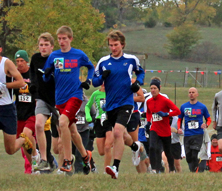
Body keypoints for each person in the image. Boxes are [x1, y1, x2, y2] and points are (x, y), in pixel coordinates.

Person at [91, 30, 145, 179]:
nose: (113, 48)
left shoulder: (131, 59)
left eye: (116, 45)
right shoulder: (103, 62)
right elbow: (94, 82)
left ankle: (115, 167)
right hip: (110, 104)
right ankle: (135, 147)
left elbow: (140, 72)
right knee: (124, 135)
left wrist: (138, 83)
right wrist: (102, 77)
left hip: (126, 102)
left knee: (117, 133)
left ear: (122, 44)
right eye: (110, 45)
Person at [42, 26, 95, 174]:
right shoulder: (54, 56)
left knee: (63, 122)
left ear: (70, 39)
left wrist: (88, 81)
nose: (61, 41)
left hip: (75, 95)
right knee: (71, 130)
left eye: (64, 38)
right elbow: (45, 77)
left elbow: (91, 68)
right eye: (59, 39)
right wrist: (47, 73)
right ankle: (86, 156)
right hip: (60, 98)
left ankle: (67, 160)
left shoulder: (78, 54)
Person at [0, 39, 34, 187]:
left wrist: (4, 86)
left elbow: (21, 82)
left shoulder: (7, 63)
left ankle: (23, 140)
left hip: (7, 110)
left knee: (10, 150)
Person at [29, 32, 58, 172]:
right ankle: (44, 159)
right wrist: (33, 87)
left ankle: (67, 160)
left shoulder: (57, 58)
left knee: (63, 130)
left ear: (52, 46)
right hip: (42, 98)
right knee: (39, 125)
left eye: (46, 45)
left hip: (58, 99)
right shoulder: (35, 59)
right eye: (41, 45)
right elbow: (32, 75)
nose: (43, 47)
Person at [144, 78, 180, 173]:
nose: (153, 90)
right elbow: (148, 112)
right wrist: (148, 122)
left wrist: (166, 114)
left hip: (165, 130)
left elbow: (177, 111)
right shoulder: (149, 101)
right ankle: (154, 168)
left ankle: (172, 169)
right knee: (152, 147)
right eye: (151, 88)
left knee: (168, 152)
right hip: (154, 128)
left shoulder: (165, 100)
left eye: (155, 88)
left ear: (159, 88)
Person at [178, 87, 211, 172]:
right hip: (187, 134)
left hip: (198, 134)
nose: (191, 94)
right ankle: (193, 169)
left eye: (193, 92)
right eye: (190, 92)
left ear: (197, 94)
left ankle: (195, 170)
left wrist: (206, 125)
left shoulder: (202, 107)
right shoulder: (184, 106)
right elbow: (179, 119)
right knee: (188, 157)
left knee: (194, 154)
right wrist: (179, 128)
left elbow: (209, 119)